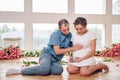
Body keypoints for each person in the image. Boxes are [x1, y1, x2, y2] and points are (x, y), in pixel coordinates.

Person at [6, 19, 83, 76]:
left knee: (59, 70)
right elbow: (57, 51)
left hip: (55, 60)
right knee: (45, 70)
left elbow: (72, 46)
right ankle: (22, 70)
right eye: (64, 30)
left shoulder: (69, 35)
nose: (67, 32)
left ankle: (42, 68)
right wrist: (72, 49)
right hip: (47, 55)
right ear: (59, 29)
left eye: (68, 29)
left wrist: (72, 55)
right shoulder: (55, 35)